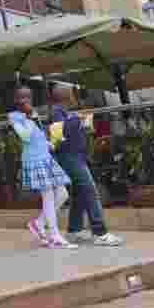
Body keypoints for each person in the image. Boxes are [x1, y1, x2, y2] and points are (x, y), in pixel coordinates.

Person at [50, 84, 122, 247]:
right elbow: (59, 134)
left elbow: (70, 131)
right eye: (73, 94)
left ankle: (74, 231)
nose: (75, 97)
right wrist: (78, 119)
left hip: (76, 156)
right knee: (90, 192)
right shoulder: (57, 112)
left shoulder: (65, 113)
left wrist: (83, 125)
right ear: (67, 96)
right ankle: (100, 233)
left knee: (79, 194)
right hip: (70, 157)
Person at [10, 85, 76, 249]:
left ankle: (39, 223)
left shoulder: (32, 113)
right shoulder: (14, 116)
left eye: (28, 96)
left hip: (45, 157)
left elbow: (37, 135)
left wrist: (50, 142)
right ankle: (54, 235)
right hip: (34, 160)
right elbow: (24, 136)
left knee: (62, 194)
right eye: (22, 97)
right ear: (16, 100)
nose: (26, 100)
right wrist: (30, 116)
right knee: (48, 196)